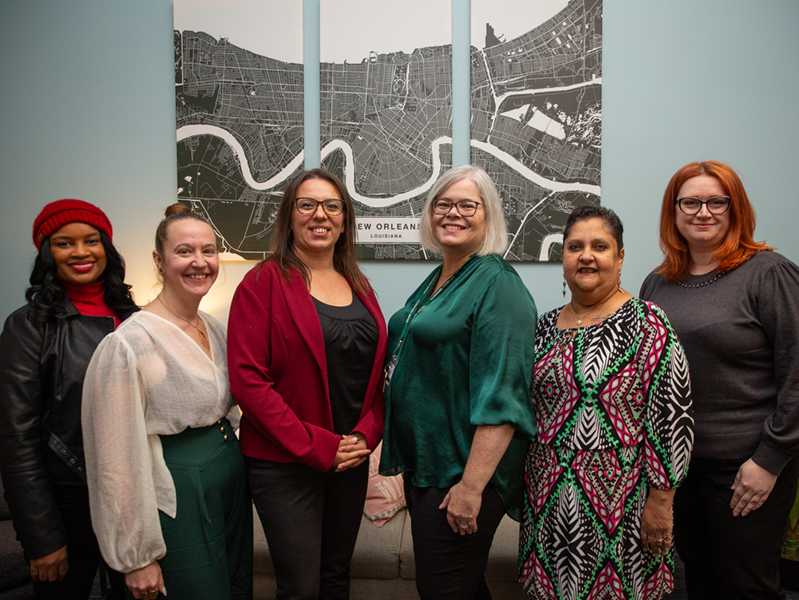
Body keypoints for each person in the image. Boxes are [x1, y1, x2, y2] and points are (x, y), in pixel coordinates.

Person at [640, 160, 799, 599]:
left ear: (735, 209)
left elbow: (797, 377)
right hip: (680, 471)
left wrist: (768, 461)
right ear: (674, 211)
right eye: (690, 201)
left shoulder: (768, 273)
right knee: (700, 582)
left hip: (745, 469)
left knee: (747, 588)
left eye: (716, 202)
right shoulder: (657, 284)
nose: (703, 212)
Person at [378, 164, 537, 599]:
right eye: (442, 205)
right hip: (431, 468)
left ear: (488, 216)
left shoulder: (498, 284)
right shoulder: (441, 278)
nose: (453, 213)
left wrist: (471, 487)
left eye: (468, 204)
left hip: (462, 474)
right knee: (458, 587)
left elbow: (505, 396)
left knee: (443, 590)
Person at [519, 205, 694, 599]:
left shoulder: (648, 323)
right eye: (575, 246)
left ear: (620, 257)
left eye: (600, 246)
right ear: (562, 256)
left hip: (622, 504)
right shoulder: (542, 327)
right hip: (546, 500)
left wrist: (661, 502)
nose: (586, 256)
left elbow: (672, 419)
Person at [227, 169, 387, 600]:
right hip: (285, 466)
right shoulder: (262, 283)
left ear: (344, 218)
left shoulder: (359, 284)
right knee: (300, 587)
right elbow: (248, 382)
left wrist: (365, 435)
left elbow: (374, 379)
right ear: (290, 215)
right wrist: (318, 446)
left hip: (349, 462)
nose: (321, 214)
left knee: (336, 577)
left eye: (332, 206)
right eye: (308, 204)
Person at [81, 204, 252, 600]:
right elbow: (114, 460)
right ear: (159, 260)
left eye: (208, 251)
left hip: (228, 478)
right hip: (178, 489)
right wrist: (136, 555)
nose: (200, 262)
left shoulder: (214, 327)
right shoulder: (129, 344)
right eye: (184, 251)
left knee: (235, 587)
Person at [0, 199, 137, 599]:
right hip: (66, 504)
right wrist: (42, 538)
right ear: (48, 253)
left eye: (91, 241)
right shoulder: (27, 327)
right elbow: (16, 439)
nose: (80, 252)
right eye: (64, 243)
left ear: (106, 248)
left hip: (129, 499)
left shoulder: (135, 318)